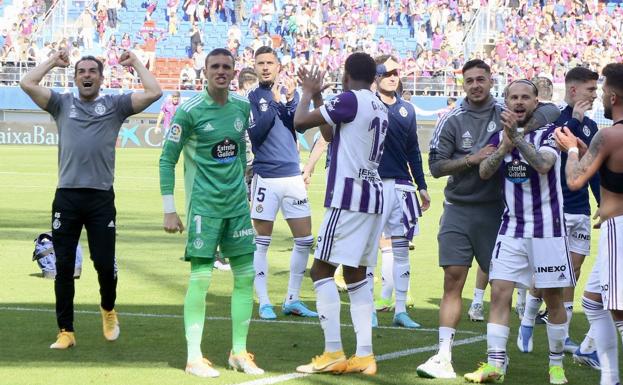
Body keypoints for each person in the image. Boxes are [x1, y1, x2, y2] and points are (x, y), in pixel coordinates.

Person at [416, 60, 560, 379]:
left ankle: (498, 356)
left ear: (491, 81)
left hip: (499, 211)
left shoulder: (507, 110)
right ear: (462, 84)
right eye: (470, 80)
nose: (476, 85)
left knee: (500, 287)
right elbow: (436, 167)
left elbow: (548, 114)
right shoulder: (451, 119)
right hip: (458, 207)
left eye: (481, 79)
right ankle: (443, 355)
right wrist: (471, 158)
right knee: (453, 278)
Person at [19, 49, 162, 349]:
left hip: (100, 199)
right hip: (67, 197)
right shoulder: (61, 103)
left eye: (92, 71)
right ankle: (65, 331)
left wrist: (135, 61)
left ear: (100, 77)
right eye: (81, 71)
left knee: (105, 263)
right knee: (64, 266)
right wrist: (52, 62)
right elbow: (27, 83)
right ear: (75, 77)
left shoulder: (115, 105)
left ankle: (108, 308)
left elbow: (154, 91)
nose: (87, 75)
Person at [159, 48, 263, 378]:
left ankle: (238, 353)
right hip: (204, 208)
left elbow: (241, 154)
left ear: (234, 73)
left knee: (246, 276)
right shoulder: (189, 111)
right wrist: (169, 211)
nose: (221, 71)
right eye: (215, 66)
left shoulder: (241, 107)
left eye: (226, 67)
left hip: (237, 208)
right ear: (204, 71)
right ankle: (193, 357)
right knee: (201, 279)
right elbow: (166, 160)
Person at [463, 79, 573, 384]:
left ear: (536, 102)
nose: (520, 102)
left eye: (526, 97)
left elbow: (542, 165)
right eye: (514, 97)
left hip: (547, 230)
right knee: (499, 294)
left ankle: (555, 365)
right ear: (506, 103)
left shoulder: (550, 134)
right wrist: (502, 147)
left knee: (553, 298)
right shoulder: (500, 137)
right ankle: (496, 363)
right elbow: (485, 172)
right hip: (511, 228)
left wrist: (517, 140)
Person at [293, 52, 388, 376]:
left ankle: (333, 350)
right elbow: (330, 134)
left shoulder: (350, 99)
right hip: (373, 196)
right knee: (356, 275)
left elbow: (300, 121)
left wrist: (307, 92)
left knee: (320, 271)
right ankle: (364, 355)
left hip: (349, 196)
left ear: (347, 76)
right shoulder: (378, 104)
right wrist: (321, 96)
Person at [518, 67, 601, 358]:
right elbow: (561, 143)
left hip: (580, 207)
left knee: (573, 271)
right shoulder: (555, 118)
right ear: (574, 90)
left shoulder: (591, 126)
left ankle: (563, 334)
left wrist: (601, 201)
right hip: (556, 206)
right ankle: (528, 319)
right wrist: (575, 119)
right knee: (550, 272)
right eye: (591, 89)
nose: (596, 94)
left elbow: (593, 168)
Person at [555, 62, 623, 385]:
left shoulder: (609, 134)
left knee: (620, 312)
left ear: (613, 95)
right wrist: (585, 149)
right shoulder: (607, 138)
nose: (601, 96)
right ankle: (608, 379)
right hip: (616, 224)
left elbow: (574, 180)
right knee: (592, 302)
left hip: (618, 231)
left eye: (603, 89)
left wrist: (571, 151)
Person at [246, 46, 316, 320]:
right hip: (266, 177)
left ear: (278, 67)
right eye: (260, 63)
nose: (265, 67)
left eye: (269, 63)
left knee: (304, 239)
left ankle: (292, 299)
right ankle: (264, 301)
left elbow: (299, 127)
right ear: (254, 66)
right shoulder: (251, 98)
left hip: (292, 176)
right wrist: (274, 103)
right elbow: (256, 133)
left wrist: (288, 102)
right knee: (262, 241)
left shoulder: (291, 94)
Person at [368, 55, 430, 328]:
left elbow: (413, 151)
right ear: (376, 77)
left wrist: (423, 185)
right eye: (387, 72)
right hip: (374, 184)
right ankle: (367, 307)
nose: (393, 76)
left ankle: (400, 309)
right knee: (369, 249)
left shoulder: (408, 109)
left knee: (402, 248)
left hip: (403, 187)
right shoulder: (367, 106)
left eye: (396, 72)